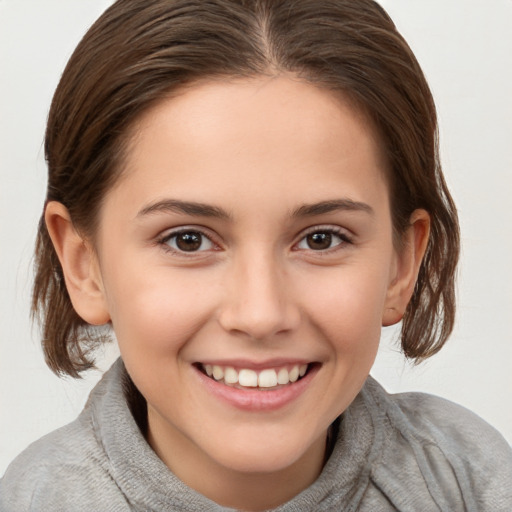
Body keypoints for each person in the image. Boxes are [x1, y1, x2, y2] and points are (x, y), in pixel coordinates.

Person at [1, 0, 511, 510]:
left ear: (402, 264)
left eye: (321, 239)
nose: (260, 314)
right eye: (188, 240)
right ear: (82, 263)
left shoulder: (467, 478)